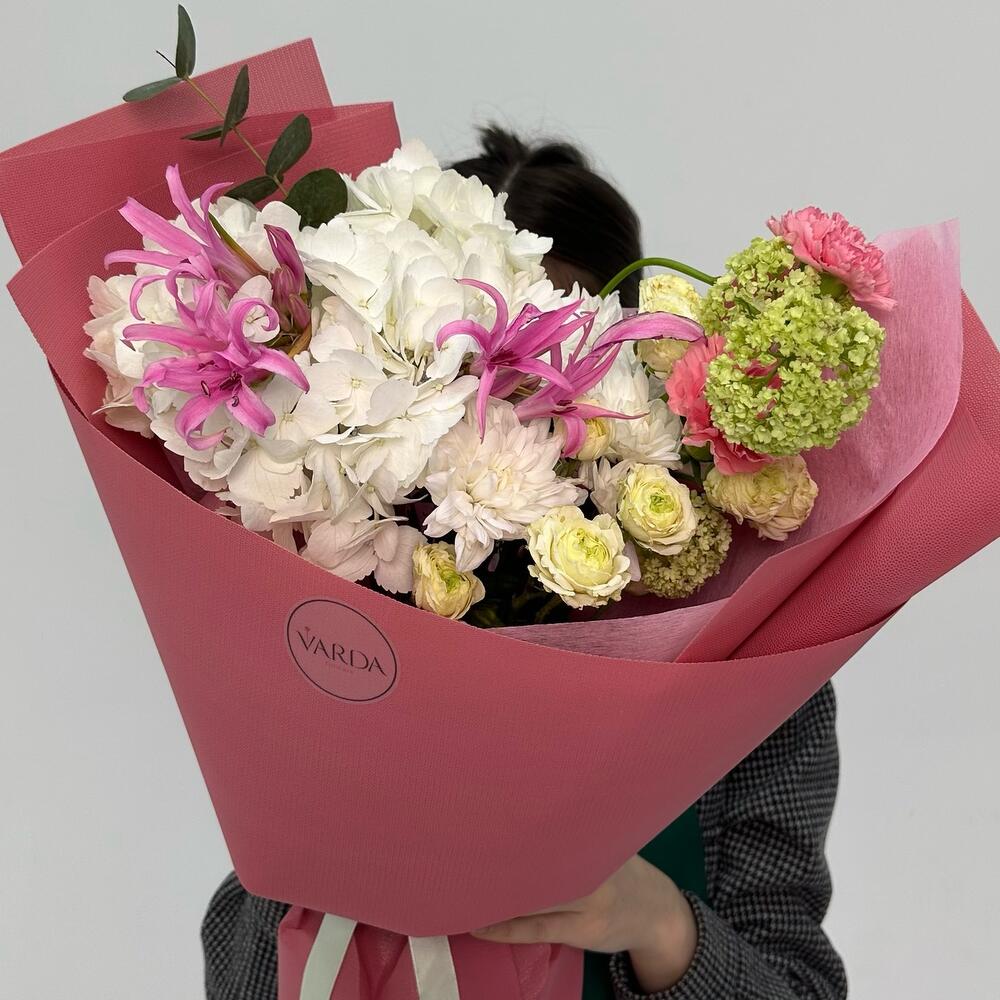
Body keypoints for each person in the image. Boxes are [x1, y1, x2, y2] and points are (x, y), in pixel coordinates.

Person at [201, 127, 847, 1000]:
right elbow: (241, 951)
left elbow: (798, 983)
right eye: (466, 368)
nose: (510, 405)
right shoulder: (336, 620)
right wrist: (328, 842)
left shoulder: (749, 662)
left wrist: (658, 924)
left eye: (552, 364)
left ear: (630, 370)